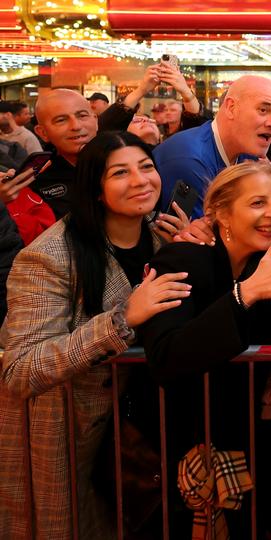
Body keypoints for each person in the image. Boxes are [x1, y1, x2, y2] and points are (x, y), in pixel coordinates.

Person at [0, 131, 190, 539]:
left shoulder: (162, 241)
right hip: (70, 440)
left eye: (146, 167)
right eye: (120, 172)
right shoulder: (48, 257)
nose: (141, 181)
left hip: (140, 436)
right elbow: (20, 369)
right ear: (95, 189)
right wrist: (123, 318)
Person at [138, 160, 271, 536]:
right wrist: (244, 294)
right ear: (221, 214)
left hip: (252, 434)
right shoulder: (181, 260)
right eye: (257, 203)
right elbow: (167, 355)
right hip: (184, 439)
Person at [153, 75, 271, 218]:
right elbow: (204, 236)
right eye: (263, 110)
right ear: (231, 107)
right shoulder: (190, 160)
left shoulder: (246, 151)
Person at [29, 88, 99, 218]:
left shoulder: (123, 164)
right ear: (43, 133)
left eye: (82, 116)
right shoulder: (36, 182)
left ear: (96, 121)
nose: (76, 126)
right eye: (61, 120)